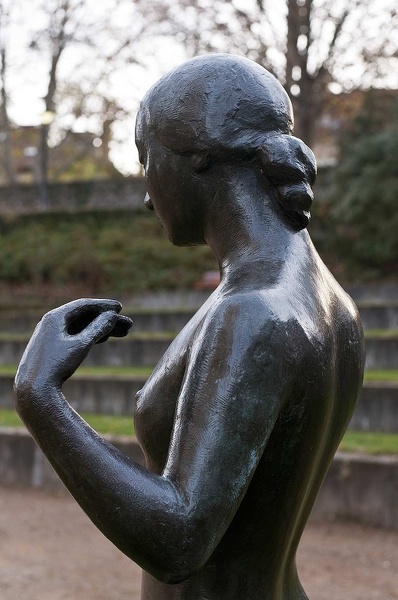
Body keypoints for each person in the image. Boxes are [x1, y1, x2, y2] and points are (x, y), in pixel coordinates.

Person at [14, 54, 365, 600]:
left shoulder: (251, 312)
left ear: (198, 157)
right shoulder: (331, 302)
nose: (147, 194)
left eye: (146, 160)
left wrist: (39, 398)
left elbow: (178, 540)